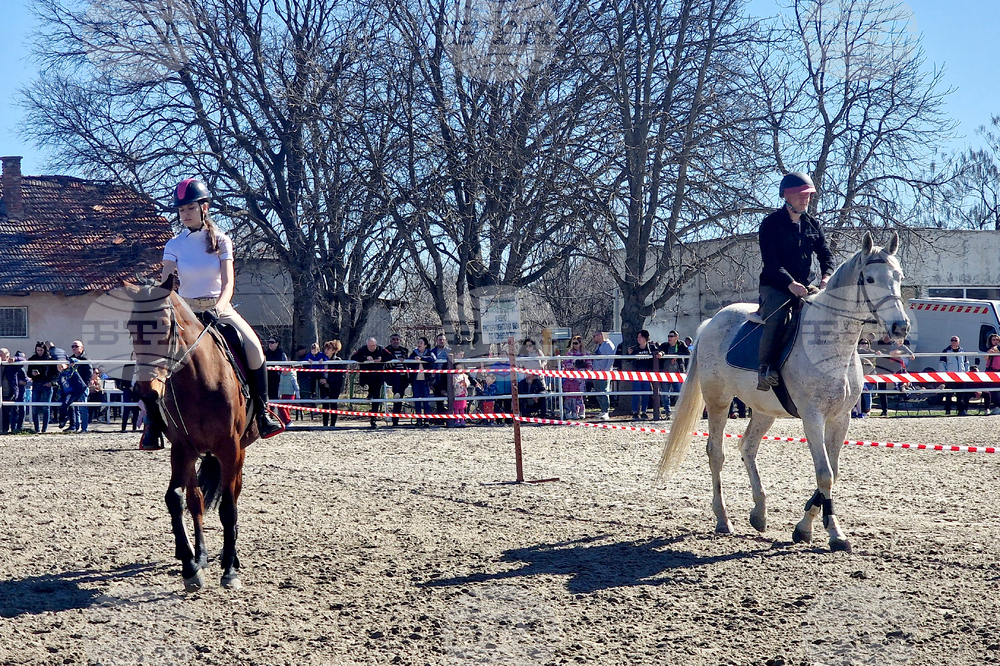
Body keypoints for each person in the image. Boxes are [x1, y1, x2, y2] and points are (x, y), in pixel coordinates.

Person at [148, 178, 285, 450]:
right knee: (152, 355)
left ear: (204, 207)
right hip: (185, 311)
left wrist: (218, 308)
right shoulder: (174, 244)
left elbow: (228, 283)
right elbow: (166, 282)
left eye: (189, 208)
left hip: (218, 307)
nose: (184, 213)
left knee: (255, 348)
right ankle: (153, 422)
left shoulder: (221, 241)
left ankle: (263, 411)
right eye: (181, 209)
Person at [756, 172, 834, 391]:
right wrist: (790, 284)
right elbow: (771, 262)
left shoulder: (813, 225)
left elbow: (826, 255)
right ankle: (766, 369)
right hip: (775, 286)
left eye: (808, 195)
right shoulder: (770, 224)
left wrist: (827, 276)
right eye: (801, 195)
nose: (806, 199)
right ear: (787, 196)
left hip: (806, 285)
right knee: (778, 316)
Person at [351, 337, 394, 428]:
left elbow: (391, 356)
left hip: (378, 377)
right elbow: (354, 357)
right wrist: (365, 358)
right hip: (366, 376)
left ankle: (373, 419)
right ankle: (370, 393)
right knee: (371, 387)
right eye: (370, 346)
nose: (372, 347)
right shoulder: (363, 349)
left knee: (376, 398)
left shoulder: (381, 349)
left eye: (374, 345)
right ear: (367, 345)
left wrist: (381, 359)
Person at [627, 329, 658, 420]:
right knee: (636, 393)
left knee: (646, 393)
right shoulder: (635, 348)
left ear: (645, 338)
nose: (638, 339)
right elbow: (628, 360)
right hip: (637, 374)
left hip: (647, 375)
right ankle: (634, 412)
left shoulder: (651, 347)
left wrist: (660, 353)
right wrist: (629, 354)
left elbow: (659, 352)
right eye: (638, 337)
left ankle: (644, 411)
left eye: (640, 337)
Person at [658, 330, 689, 419]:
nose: (669, 338)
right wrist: (661, 353)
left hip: (677, 373)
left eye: (672, 336)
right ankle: (667, 412)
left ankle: (680, 412)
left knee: (679, 393)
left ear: (677, 338)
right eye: (668, 336)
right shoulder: (664, 345)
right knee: (665, 393)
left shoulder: (681, 345)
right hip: (665, 373)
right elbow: (661, 351)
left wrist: (677, 355)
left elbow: (688, 353)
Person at [27, 342, 56, 433]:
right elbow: (28, 372)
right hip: (36, 384)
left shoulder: (51, 360)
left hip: (46, 384)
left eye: (41, 350)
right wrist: (32, 374)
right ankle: (37, 428)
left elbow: (56, 373)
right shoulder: (32, 359)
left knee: (45, 407)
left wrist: (52, 382)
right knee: (35, 407)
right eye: (38, 350)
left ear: (45, 350)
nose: (39, 352)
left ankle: (44, 429)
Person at [939, 335, 970, 416]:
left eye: (955, 340)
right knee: (949, 394)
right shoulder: (946, 351)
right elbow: (942, 364)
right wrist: (944, 376)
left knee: (960, 395)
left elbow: (966, 363)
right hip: (950, 376)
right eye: (952, 340)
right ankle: (948, 410)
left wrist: (966, 373)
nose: (953, 341)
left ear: (959, 342)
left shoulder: (963, 351)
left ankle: (961, 410)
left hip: (961, 376)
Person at [385, 333, 410, 426]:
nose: (396, 341)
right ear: (391, 341)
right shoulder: (386, 351)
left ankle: (396, 420)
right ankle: (395, 420)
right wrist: (395, 361)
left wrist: (404, 361)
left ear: (400, 340)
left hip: (403, 377)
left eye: (397, 339)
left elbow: (408, 363)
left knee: (399, 398)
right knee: (397, 396)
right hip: (392, 377)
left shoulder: (404, 351)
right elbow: (385, 364)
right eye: (394, 339)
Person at [56, 359, 89, 431]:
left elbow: (76, 363)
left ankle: (64, 420)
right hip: (67, 393)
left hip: (75, 391)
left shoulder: (71, 370)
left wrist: (72, 361)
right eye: (58, 367)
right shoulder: (61, 375)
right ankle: (73, 426)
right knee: (71, 408)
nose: (60, 368)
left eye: (61, 366)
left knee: (80, 408)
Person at [408, 337, 435, 427]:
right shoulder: (414, 352)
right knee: (417, 400)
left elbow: (433, 359)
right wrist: (414, 358)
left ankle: (427, 420)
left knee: (426, 400)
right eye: (418, 342)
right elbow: (408, 361)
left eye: (421, 342)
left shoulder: (429, 352)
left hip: (425, 380)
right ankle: (418, 420)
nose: (419, 344)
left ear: (425, 345)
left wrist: (422, 358)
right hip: (415, 380)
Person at [562, 336, 590, 419]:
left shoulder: (586, 354)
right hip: (572, 378)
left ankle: (581, 411)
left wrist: (584, 370)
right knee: (571, 396)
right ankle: (572, 412)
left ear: (581, 343)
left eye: (576, 343)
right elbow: (565, 364)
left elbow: (589, 365)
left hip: (581, 377)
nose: (575, 345)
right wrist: (573, 366)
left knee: (580, 395)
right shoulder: (569, 353)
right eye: (573, 343)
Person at [318, 340, 344, 428]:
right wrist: (321, 378)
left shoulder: (337, 360)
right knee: (325, 405)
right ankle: (325, 424)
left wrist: (328, 381)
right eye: (325, 348)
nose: (326, 351)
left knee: (333, 404)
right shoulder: (321, 359)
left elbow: (339, 376)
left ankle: (333, 424)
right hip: (323, 385)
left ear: (334, 350)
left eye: (328, 349)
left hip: (334, 386)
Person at [590, 332, 616, 420]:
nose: (593, 338)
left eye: (595, 336)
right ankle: (602, 410)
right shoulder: (598, 346)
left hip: (603, 373)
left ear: (600, 335)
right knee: (598, 391)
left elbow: (610, 359)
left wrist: (606, 371)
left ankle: (606, 411)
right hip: (596, 373)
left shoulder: (609, 345)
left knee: (604, 391)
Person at [69, 340, 92, 433]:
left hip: (82, 387)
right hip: (74, 387)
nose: (74, 348)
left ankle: (84, 428)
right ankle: (76, 427)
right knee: (75, 408)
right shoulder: (70, 359)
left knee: (83, 408)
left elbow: (89, 373)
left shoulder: (86, 359)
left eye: (76, 346)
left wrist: (84, 385)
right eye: (72, 346)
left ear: (81, 348)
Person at [853, 338, 876, 418]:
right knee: (856, 393)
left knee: (867, 391)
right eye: (862, 343)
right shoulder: (855, 352)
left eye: (866, 343)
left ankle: (867, 410)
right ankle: (855, 410)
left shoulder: (872, 352)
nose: (864, 344)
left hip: (868, 376)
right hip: (858, 376)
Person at [301, 342, 326, 408]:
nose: (313, 351)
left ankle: (323, 394)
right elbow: (305, 359)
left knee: (322, 383)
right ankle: (313, 393)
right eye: (312, 350)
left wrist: (322, 359)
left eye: (315, 350)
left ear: (318, 350)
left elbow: (326, 358)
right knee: (312, 382)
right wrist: (308, 360)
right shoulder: (309, 355)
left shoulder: (321, 355)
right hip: (313, 371)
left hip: (320, 372)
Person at [984, 333, 1000, 415]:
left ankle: (997, 406)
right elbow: (985, 358)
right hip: (990, 370)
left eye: (997, 339)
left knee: (997, 390)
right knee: (988, 390)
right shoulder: (989, 349)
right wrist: (989, 353)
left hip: (998, 370)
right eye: (993, 340)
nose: (995, 341)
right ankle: (987, 408)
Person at [452, 362, 470, 427]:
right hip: (457, 393)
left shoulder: (465, 376)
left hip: (463, 393)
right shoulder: (454, 376)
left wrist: (465, 382)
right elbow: (454, 385)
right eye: (457, 368)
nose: (458, 370)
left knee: (462, 407)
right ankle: (457, 419)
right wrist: (459, 383)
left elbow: (468, 384)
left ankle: (462, 419)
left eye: (460, 368)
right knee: (456, 408)